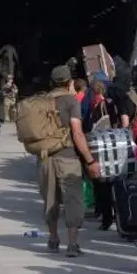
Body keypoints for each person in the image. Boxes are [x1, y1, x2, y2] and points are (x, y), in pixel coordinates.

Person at [35, 65, 100, 257]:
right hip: (67, 157)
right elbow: (77, 133)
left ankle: (53, 239)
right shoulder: (71, 102)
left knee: (50, 199)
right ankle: (72, 244)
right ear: (69, 82)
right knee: (72, 199)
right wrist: (89, 160)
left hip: (45, 157)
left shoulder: (41, 101)